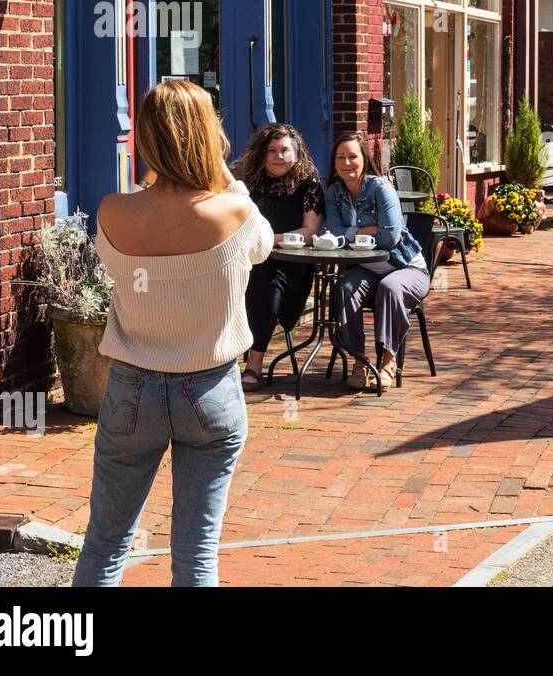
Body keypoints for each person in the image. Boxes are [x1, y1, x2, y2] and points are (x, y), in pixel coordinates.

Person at [73, 80, 274, 587]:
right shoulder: (235, 211)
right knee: (197, 550)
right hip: (209, 389)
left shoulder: (113, 212)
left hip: (131, 389)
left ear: (145, 139)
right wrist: (224, 175)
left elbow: (124, 253)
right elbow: (263, 246)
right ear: (208, 137)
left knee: (105, 543)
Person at [325, 133, 430, 390]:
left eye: (352, 156)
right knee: (345, 287)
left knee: (390, 287)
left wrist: (351, 232)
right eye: (341, 157)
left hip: (405, 267)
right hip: (366, 269)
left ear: (364, 159)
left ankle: (388, 362)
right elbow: (333, 230)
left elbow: (390, 237)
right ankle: (360, 361)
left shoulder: (380, 188)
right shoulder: (334, 192)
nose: (346, 162)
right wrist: (369, 229)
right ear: (334, 162)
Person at [232, 124, 325, 391]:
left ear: (296, 153)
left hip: (289, 263)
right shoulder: (248, 181)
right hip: (246, 258)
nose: (278, 156)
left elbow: (310, 231)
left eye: (285, 150)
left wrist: (268, 240)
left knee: (266, 286)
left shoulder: (309, 184)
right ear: (261, 154)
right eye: (271, 150)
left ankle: (254, 365)